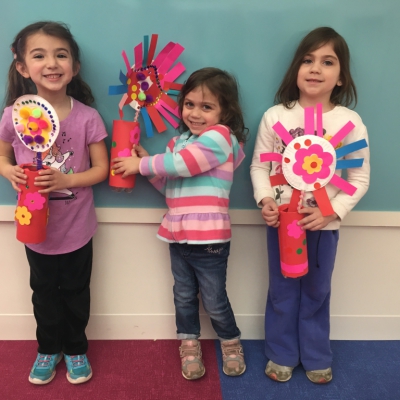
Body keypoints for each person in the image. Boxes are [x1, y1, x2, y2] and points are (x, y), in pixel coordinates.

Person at [250, 27, 370, 384]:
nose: (315, 68)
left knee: (317, 291)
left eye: (327, 61)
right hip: (283, 224)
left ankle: (317, 354)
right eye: (308, 59)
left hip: (323, 226)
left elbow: (359, 179)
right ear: (296, 69)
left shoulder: (349, 123)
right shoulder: (276, 117)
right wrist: (266, 199)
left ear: (341, 77)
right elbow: (259, 166)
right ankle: (282, 352)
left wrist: (331, 212)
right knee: (283, 289)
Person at [112, 67, 248, 380]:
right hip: (178, 234)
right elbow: (171, 186)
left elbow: (184, 166)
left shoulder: (221, 137)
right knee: (183, 296)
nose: (195, 113)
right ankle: (188, 342)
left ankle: (230, 341)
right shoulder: (178, 144)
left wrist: (141, 163)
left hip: (209, 238)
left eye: (207, 107)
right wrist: (147, 167)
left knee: (214, 300)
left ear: (224, 112)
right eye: (189, 104)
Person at [0, 21, 108, 385]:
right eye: (39, 55)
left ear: (74, 67)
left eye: (61, 55)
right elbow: (1, 158)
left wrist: (66, 180)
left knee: (77, 293)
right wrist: (9, 171)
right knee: (43, 292)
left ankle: (76, 348)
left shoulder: (87, 117)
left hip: (77, 227)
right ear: (21, 67)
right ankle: (48, 348)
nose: (51, 63)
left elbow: (101, 170)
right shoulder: (14, 115)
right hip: (34, 226)